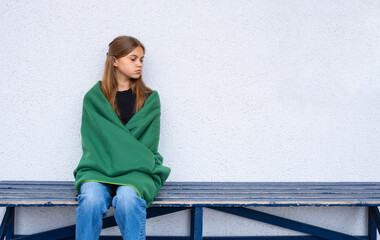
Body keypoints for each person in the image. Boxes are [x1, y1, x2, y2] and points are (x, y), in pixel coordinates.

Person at [73, 35, 171, 239]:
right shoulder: (94, 99)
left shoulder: (149, 99)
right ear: (115, 61)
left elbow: (148, 147)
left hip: (136, 171)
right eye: (133, 58)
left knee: (127, 199)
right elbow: (93, 144)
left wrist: (124, 157)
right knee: (90, 199)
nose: (139, 64)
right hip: (98, 168)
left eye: (142, 59)